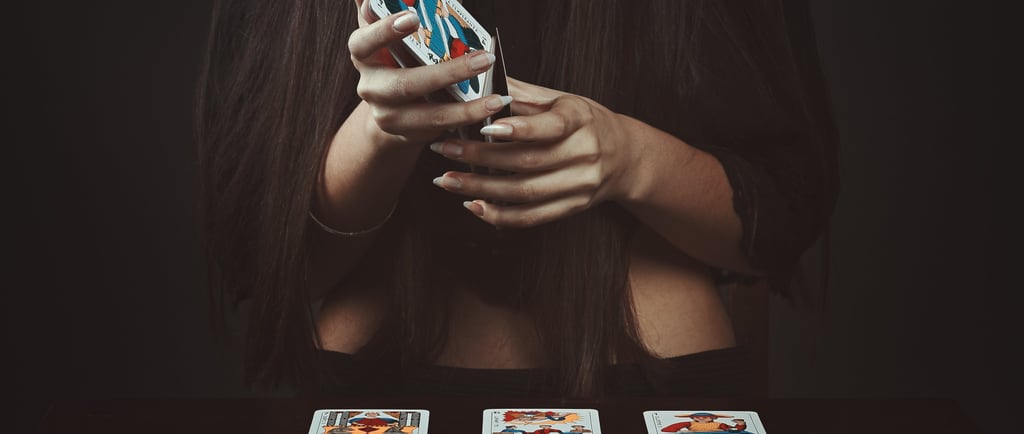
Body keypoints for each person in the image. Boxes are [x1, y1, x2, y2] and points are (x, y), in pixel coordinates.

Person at [196, 0, 839, 397]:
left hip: (653, 365)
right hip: (380, 371)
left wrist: (631, 158)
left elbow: (782, 215)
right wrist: (380, 130)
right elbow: (268, 264)